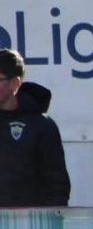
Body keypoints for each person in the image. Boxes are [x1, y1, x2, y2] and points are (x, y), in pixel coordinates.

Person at [0, 49, 70, 207]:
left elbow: (57, 184)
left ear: (15, 83)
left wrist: (52, 221)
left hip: (28, 224)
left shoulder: (42, 126)